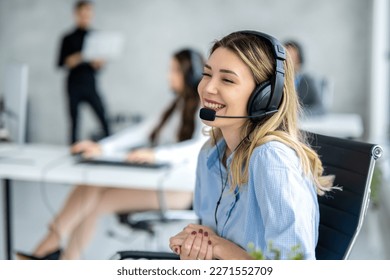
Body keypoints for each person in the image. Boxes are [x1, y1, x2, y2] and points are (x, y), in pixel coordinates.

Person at [16, 48, 207, 260]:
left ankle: (50, 254)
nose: (168, 75)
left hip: (179, 191)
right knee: (90, 185)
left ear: (190, 74)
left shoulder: (204, 106)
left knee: (95, 201)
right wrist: (102, 148)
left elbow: (199, 146)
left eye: (174, 70)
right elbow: (141, 131)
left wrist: (157, 155)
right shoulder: (176, 105)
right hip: (162, 182)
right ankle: (55, 252)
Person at [169, 31, 335, 260]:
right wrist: (201, 244)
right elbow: (210, 235)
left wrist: (217, 247)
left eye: (227, 79)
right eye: (206, 74)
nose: (208, 88)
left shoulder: (272, 160)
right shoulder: (210, 153)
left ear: (264, 96)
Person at [58, 1, 110, 144]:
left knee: (103, 117)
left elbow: (99, 66)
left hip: (90, 83)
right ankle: (73, 148)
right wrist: (82, 55)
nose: (86, 17)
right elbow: (61, 63)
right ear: (76, 14)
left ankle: (109, 146)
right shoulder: (67, 38)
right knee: (74, 121)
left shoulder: (96, 36)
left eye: (88, 14)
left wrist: (98, 62)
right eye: (83, 14)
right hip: (74, 84)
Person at [283, 40, 326, 116]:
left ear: (299, 61)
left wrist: (299, 113)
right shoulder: (278, 80)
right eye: (285, 57)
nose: (288, 62)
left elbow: (320, 108)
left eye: (292, 58)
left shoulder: (308, 81)